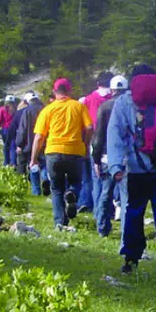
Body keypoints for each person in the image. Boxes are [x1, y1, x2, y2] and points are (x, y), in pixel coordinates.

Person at [107, 64, 156, 292]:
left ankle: (130, 259)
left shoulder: (124, 102)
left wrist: (114, 166)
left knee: (133, 212)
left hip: (136, 169)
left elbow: (115, 135)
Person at [31, 78, 93, 229]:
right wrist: (85, 144)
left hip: (53, 151)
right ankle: (72, 193)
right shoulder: (79, 106)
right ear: (69, 91)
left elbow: (39, 137)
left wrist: (33, 158)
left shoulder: (47, 110)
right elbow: (90, 127)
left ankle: (60, 222)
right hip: (75, 151)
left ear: (54, 92)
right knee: (76, 181)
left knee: (57, 188)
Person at [91, 75, 128, 236]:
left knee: (105, 193)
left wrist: (96, 159)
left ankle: (102, 227)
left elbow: (98, 135)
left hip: (107, 155)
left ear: (112, 89)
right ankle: (127, 229)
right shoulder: (130, 106)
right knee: (126, 196)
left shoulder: (105, 106)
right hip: (127, 155)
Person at [78, 74, 113, 215]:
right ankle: (109, 208)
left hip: (94, 139)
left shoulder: (88, 99)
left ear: (98, 83)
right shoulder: (115, 98)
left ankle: (97, 208)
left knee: (96, 176)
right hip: (112, 140)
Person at [16, 91, 46, 195]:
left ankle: (36, 190)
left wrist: (19, 143)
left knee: (33, 165)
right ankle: (46, 178)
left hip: (30, 143)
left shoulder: (27, 111)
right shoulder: (45, 109)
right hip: (45, 142)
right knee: (44, 164)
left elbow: (23, 129)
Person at [0, 96, 17, 166]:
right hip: (14, 129)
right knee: (13, 146)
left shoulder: (2, 109)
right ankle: (13, 163)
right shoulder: (15, 109)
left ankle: (6, 162)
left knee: (6, 146)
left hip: (5, 130)